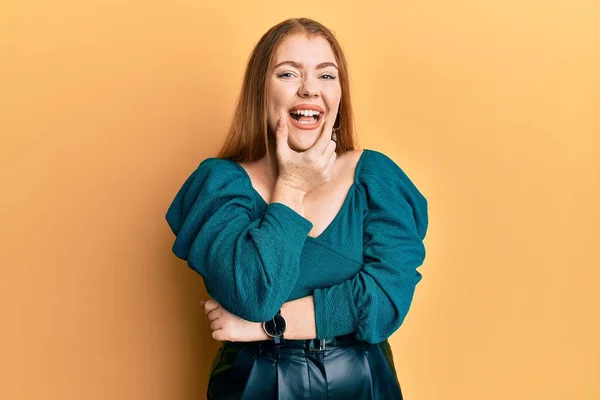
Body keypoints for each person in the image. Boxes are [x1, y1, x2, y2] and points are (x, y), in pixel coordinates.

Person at [165, 17, 428, 400]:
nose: (309, 89)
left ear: (340, 93)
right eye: (288, 74)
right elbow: (254, 295)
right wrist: (291, 186)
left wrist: (267, 326)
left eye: (326, 75)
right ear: (261, 90)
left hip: (362, 383)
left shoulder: (377, 179)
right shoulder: (219, 185)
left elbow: (384, 303)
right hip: (254, 384)